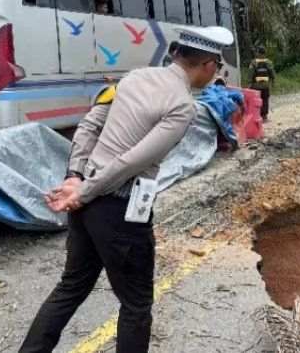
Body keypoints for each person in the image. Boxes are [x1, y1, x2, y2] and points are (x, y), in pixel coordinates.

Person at [19, 26, 233, 353]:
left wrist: (76, 176)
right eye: (217, 68)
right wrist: (83, 190)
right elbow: (132, 161)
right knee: (136, 304)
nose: (215, 74)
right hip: (119, 208)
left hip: (87, 206)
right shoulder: (182, 105)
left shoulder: (133, 78)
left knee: (71, 287)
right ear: (208, 65)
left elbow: (90, 125)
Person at [248, 46, 275, 121]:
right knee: (265, 100)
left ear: (258, 53)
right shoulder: (269, 62)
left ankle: (257, 116)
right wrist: (272, 81)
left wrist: (249, 84)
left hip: (256, 86)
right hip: (265, 85)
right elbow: (272, 73)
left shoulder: (254, 62)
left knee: (257, 101)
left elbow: (251, 73)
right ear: (264, 53)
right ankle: (264, 116)